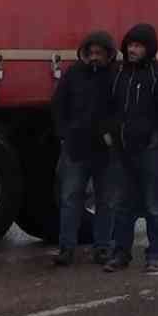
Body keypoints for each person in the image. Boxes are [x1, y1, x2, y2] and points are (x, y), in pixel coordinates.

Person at [105, 23, 158, 273]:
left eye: (138, 46)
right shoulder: (118, 74)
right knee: (121, 203)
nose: (132, 50)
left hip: (148, 150)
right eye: (130, 45)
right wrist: (109, 133)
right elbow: (108, 107)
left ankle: (155, 253)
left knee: (154, 204)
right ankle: (120, 253)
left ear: (148, 48)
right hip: (122, 149)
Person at [50, 31, 118, 266]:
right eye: (91, 53)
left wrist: (112, 134)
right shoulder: (74, 74)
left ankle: (102, 248)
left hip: (106, 151)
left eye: (99, 53)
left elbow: (123, 109)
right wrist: (64, 133)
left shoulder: (116, 76)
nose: (94, 57)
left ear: (109, 54)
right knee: (70, 198)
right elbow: (59, 104)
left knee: (106, 201)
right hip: (76, 148)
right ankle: (66, 248)